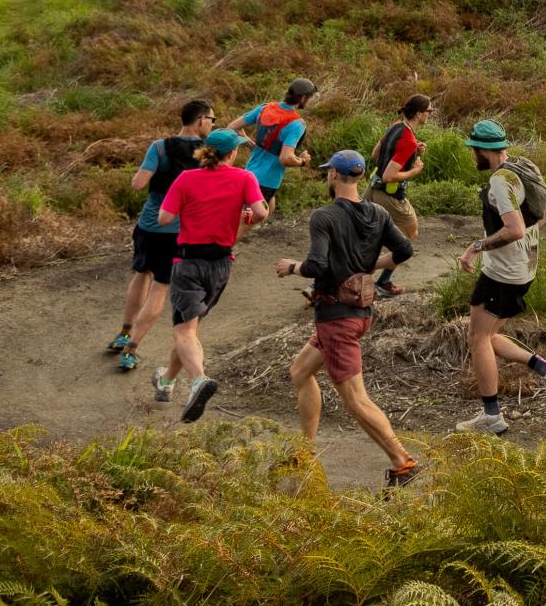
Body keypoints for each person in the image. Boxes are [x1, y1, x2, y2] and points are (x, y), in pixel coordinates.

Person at [275, 149, 420, 486]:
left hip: (337, 320)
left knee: (356, 399)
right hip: (355, 314)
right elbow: (405, 251)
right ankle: (305, 452)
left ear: (333, 176)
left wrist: (291, 267)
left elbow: (316, 266)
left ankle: (403, 462)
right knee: (300, 371)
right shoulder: (378, 213)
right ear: (357, 177)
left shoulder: (323, 217)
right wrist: (371, 266)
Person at [453, 121, 546, 435]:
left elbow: (515, 229)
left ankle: (491, 417)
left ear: (482, 150)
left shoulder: (499, 184)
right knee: (487, 335)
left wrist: (475, 247)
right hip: (523, 269)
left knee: (477, 339)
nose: (472, 156)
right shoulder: (524, 167)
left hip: (502, 274)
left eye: (473, 151)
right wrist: (519, 237)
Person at [155, 126, 264, 423]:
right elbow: (261, 213)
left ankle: (199, 380)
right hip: (221, 266)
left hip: (189, 263)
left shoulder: (187, 178)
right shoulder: (245, 177)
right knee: (189, 328)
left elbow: (164, 217)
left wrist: (188, 208)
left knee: (184, 331)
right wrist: (246, 215)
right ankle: (165, 381)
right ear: (231, 153)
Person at [106, 98, 208, 375]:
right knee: (161, 287)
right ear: (200, 121)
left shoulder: (159, 146)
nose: (211, 124)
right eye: (211, 120)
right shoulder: (206, 153)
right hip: (176, 230)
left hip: (148, 224)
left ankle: (124, 333)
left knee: (141, 274)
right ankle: (131, 351)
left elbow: (138, 183)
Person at [366, 95, 429, 299]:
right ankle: (379, 278)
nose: (430, 114)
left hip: (372, 189)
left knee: (362, 233)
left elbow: (376, 154)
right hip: (390, 194)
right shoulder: (408, 140)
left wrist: (412, 152)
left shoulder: (396, 126)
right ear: (419, 114)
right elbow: (389, 175)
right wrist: (415, 170)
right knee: (408, 237)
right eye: (429, 111)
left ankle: (373, 276)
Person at [232, 78, 317, 220]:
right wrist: (302, 161)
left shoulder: (265, 107)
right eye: (310, 98)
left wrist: (249, 143)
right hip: (266, 181)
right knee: (243, 226)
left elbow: (232, 127)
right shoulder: (297, 123)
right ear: (303, 98)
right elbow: (285, 158)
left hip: (250, 172)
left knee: (269, 207)